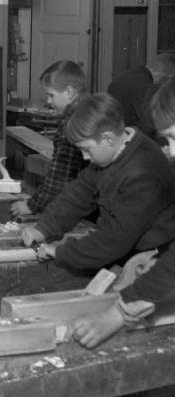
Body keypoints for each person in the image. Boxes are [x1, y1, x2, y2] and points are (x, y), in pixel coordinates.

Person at [67, 78, 175, 349]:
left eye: (174, 135)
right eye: (167, 139)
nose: (171, 150)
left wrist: (117, 315)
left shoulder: (143, 172)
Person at [21, 93, 175, 273]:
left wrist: (61, 252)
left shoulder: (143, 174)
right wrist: (44, 229)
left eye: (86, 149)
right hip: (125, 246)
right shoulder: (113, 152)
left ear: (108, 139)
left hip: (152, 257)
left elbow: (115, 238)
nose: (85, 157)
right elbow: (78, 194)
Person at [11, 61, 88, 219]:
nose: (49, 101)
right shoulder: (90, 111)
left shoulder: (71, 125)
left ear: (69, 92)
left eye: (51, 95)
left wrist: (32, 205)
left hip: (82, 207)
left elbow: (59, 178)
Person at [107, 53, 175, 139]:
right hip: (129, 141)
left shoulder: (124, 77)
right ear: (162, 76)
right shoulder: (145, 86)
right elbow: (147, 123)